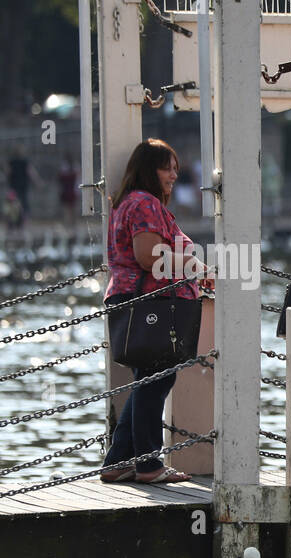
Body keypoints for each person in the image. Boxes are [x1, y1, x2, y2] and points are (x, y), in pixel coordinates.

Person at [100, 139, 212, 484]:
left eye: (176, 168)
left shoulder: (129, 203)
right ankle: (149, 466)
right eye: (167, 167)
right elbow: (148, 256)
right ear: (149, 170)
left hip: (136, 303)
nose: (174, 175)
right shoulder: (145, 204)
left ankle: (118, 461)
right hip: (151, 304)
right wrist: (193, 265)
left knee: (148, 380)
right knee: (155, 382)